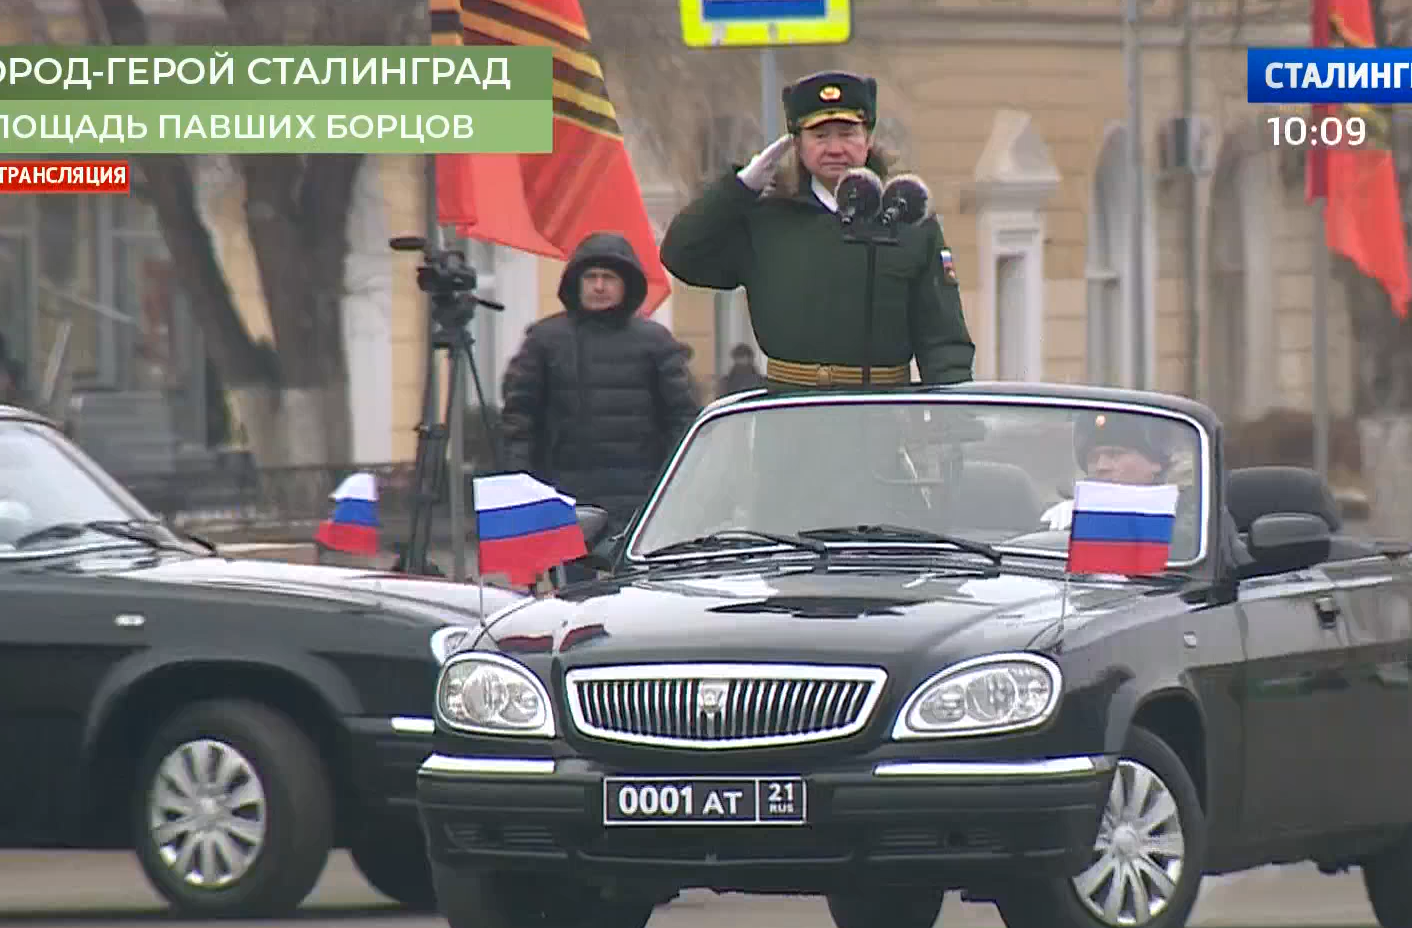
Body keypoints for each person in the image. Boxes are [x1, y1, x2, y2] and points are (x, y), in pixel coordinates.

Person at [660, 70, 974, 391]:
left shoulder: (907, 220)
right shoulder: (768, 219)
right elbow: (681, 254)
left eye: (847, 133)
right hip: (790, 406)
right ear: (797, 144)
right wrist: (740, 186)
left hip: (882, 407)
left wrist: (951, 412)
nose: (835, 149)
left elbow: (943, 341)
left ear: (868, 139)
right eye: (820, 136)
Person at [498, 231, 702, 577]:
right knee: (572, 596)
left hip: (640, 499)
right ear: (575, 283)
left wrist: (672, 486)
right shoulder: (544, 341)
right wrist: (522, 483)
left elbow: (682, 418)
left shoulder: (655, 343)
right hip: (564, 498)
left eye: (609, 277)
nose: (598, 286)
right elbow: (519, 419)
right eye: (590, 277)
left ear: (627, 285)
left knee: (635, 592)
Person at [1041, 411, 1200, 560]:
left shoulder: (1193, 512)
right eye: (1093, 458)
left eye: (1114, 454)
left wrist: (1097, 519)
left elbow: (1176, 550)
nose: (1101, 466)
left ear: (1155, 462)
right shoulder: (1064, 513)